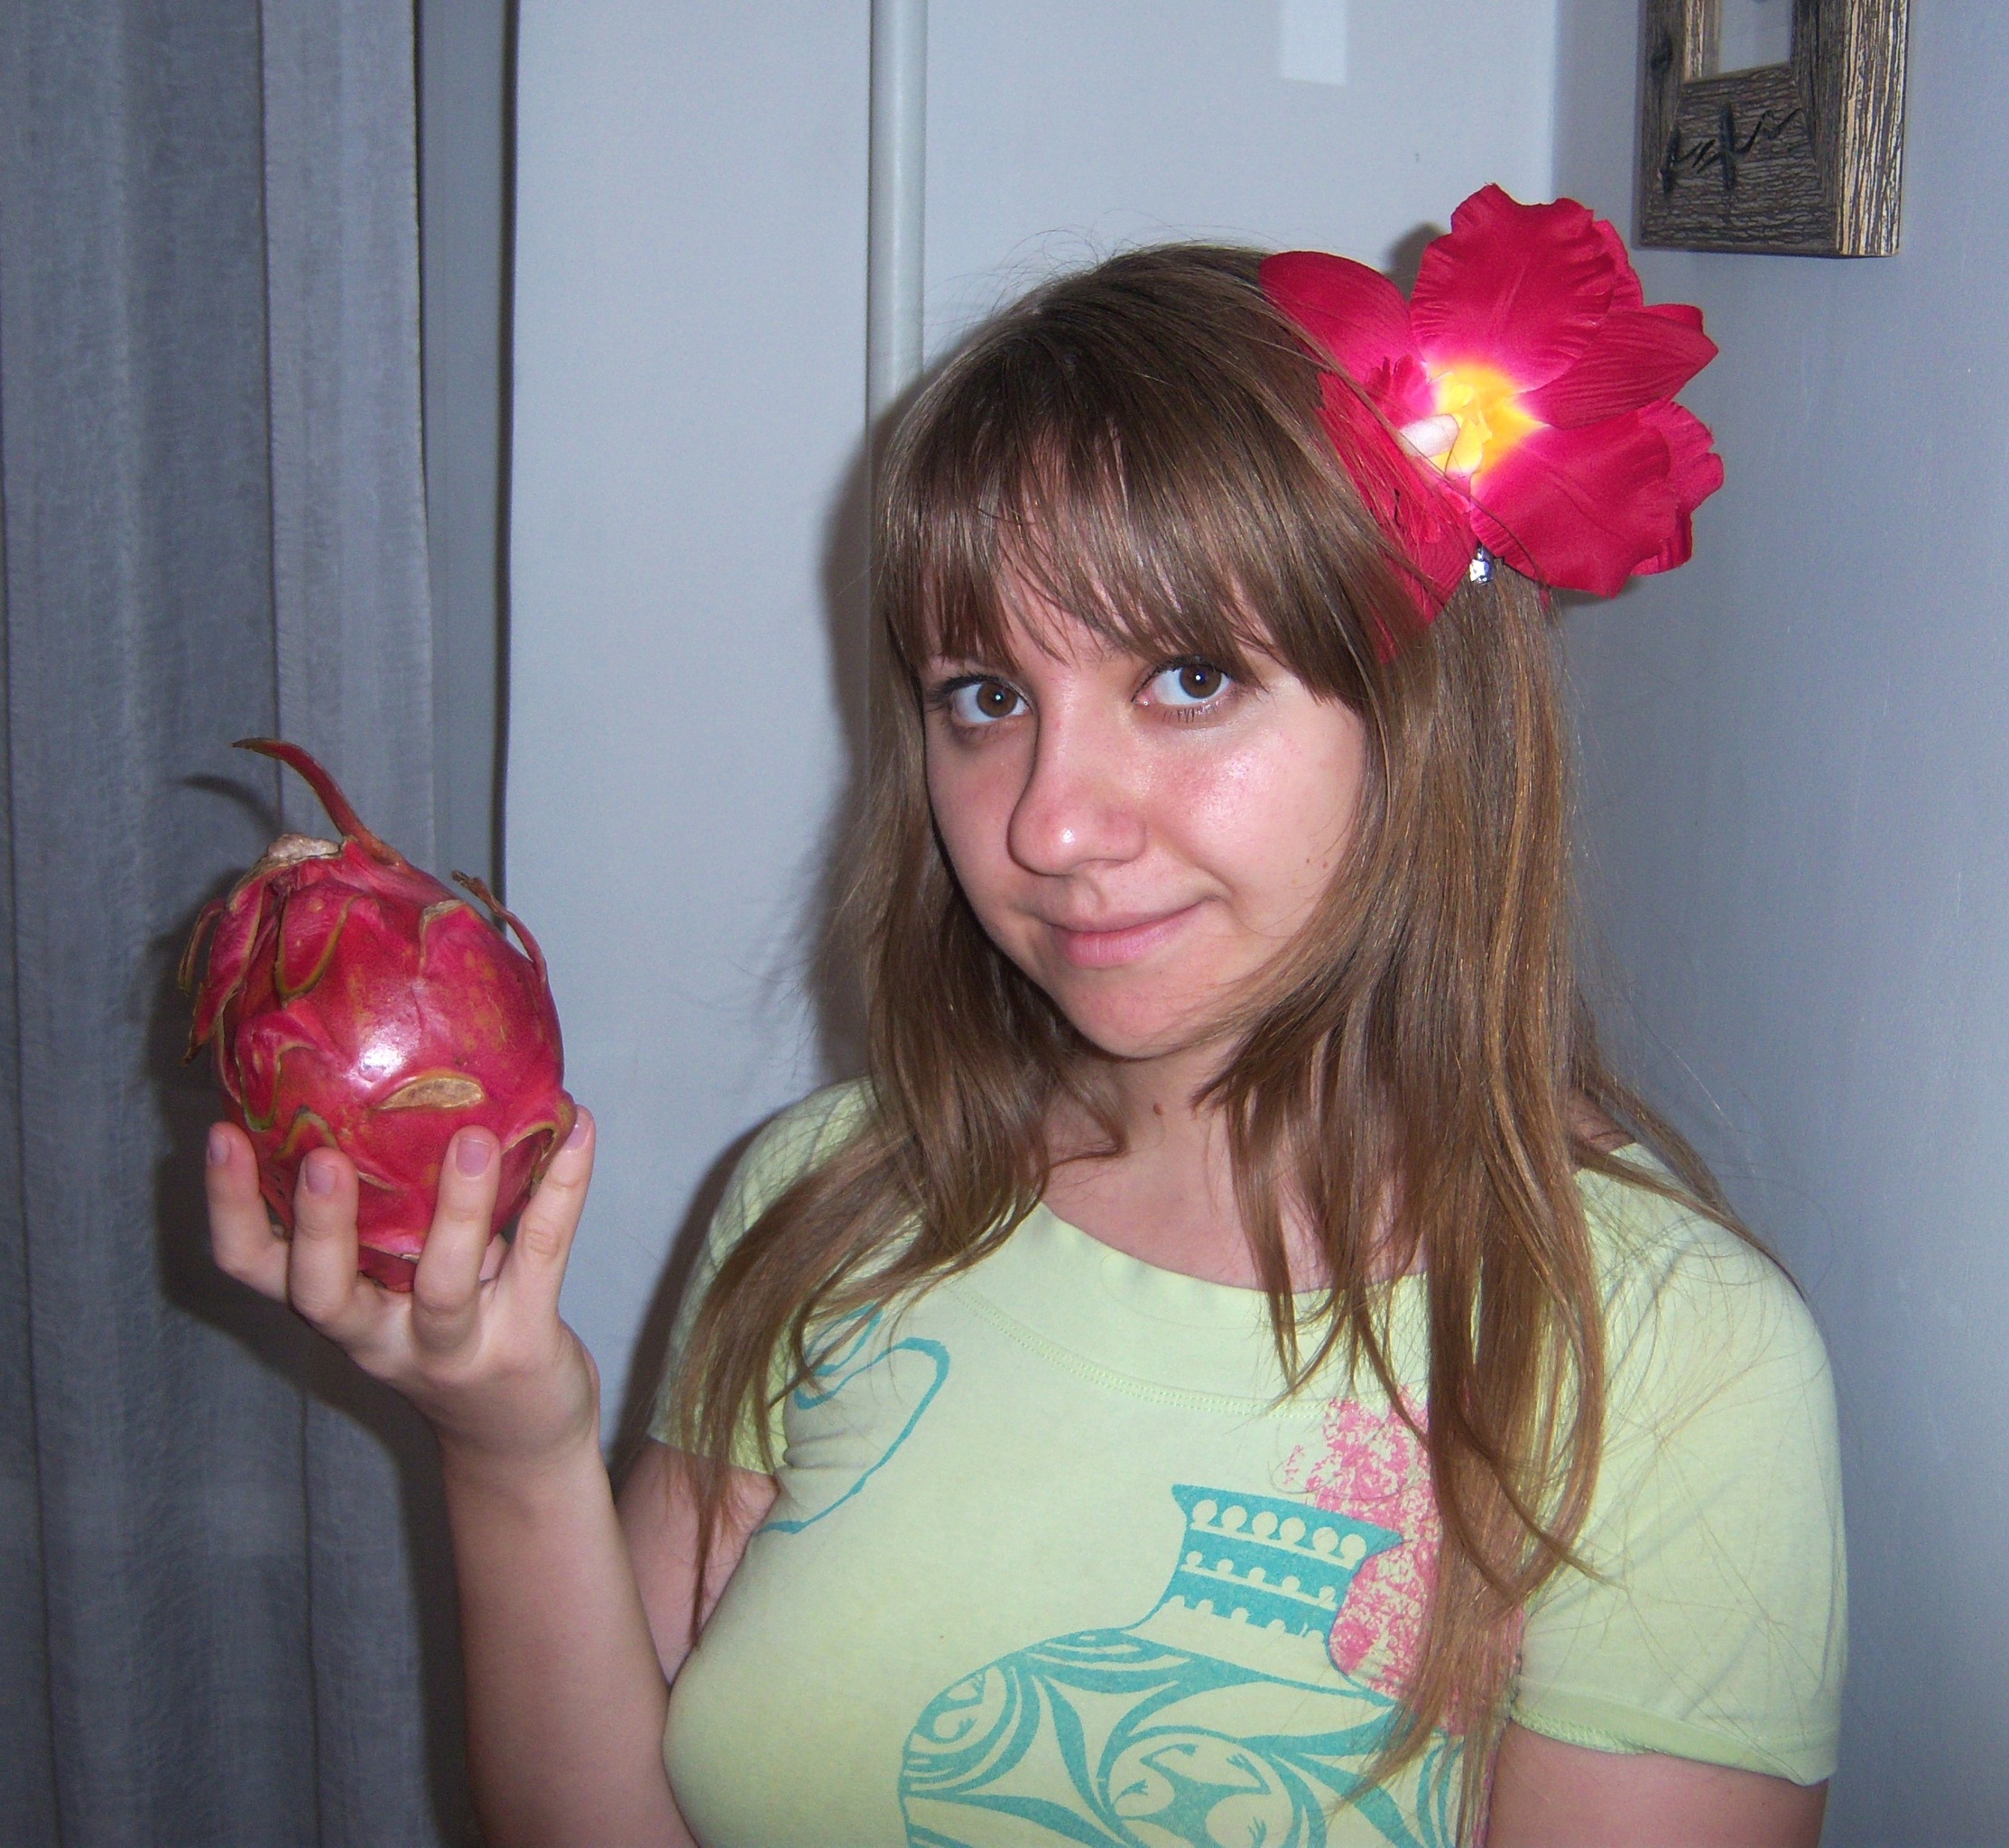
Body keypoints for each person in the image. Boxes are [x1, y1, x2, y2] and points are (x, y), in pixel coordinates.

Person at [205, 186, 1845, 1848]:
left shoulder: (1661, 1357)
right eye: (985, 698)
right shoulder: (831, 1201)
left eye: (1189, 679)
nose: (1049, 824)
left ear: (1425, 713)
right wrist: (514, 1445)